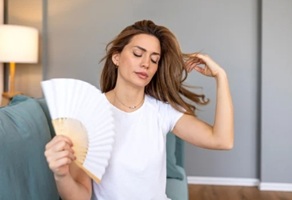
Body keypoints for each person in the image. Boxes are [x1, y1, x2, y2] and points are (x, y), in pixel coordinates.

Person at [44, 19, 234, 200]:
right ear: (116, 57)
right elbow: (80, 196)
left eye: (154, 59)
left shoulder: (162, 112)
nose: (146, 63)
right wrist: (61, 175)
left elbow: (222, 141)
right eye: (137, 54)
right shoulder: (90, 114)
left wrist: (221, 76)